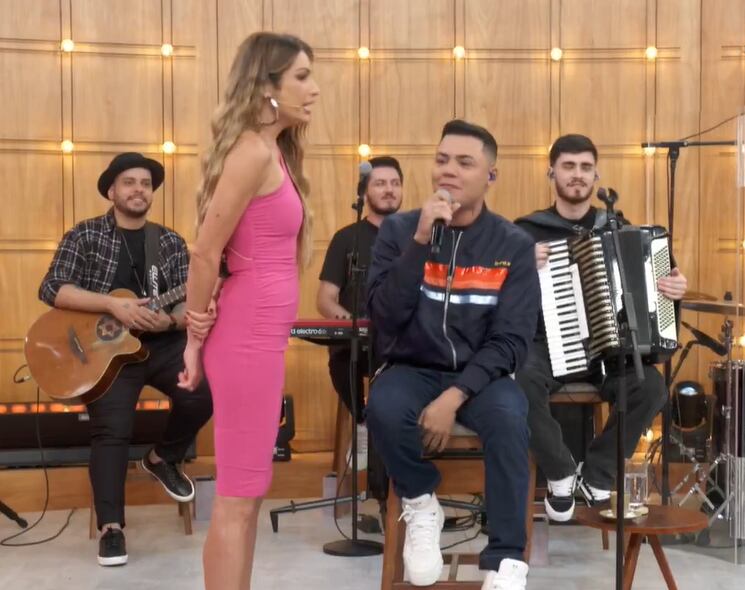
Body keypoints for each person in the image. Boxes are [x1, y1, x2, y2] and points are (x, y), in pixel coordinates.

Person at [365, 120, 538, 589]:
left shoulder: (513, 245)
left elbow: (511, 341)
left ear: (490, 176)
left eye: (464, 163)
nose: (449, 171)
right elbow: (384, 316)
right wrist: (420, 242)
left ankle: (505, 559)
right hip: (411, 366)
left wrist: (455, 396)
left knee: (509, 420)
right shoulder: (399, 231)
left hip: (481, 375)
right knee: (382, 406)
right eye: (442, 160)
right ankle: (422, 501)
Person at [177, 32, 318, 590]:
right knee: (237, 498)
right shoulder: (252, 152)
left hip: (260, 337)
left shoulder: (271, 151)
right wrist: (193, 340)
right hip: (246, 340)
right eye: (301, 76)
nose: (314, 88)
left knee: (250, 493)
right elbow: (204, 252)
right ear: (266, 87)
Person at [38, 152, 212, 566]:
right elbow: (52, 288)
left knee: (204, 392)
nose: (139, 190)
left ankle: (162, 459)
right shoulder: (85, 235)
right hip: (104, 353)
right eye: (129, 182)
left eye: (146, 184)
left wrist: (169, 320)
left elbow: (187, 303)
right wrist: (113, 306)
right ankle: (111, 529)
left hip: (161, 344)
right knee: (112, 430)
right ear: (112, 191)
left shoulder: (168, 242)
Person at [514, 134, 688, 521]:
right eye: (568, 166)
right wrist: (518, 265)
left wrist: (674, 289)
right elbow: (495, 292)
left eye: (585, 167)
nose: (577, 175)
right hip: (546, 347)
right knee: (518, 380)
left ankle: (597, 475)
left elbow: (657, 285)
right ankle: (560, 472)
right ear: (551, 173)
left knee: (651, 387)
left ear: (596, 176)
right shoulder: (524, 233)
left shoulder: (618, 227)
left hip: (609, 348)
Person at [317, 156, 404, 469]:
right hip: (359, 342)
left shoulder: (417, 236)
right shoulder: (346, 238)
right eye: (380, 183)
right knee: (341, 360)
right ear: (365, 191)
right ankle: (363, 423)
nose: (389, 190)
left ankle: (393, 439)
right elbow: (325, 299)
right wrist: (350, 324)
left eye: (395, 183)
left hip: (402, 341)